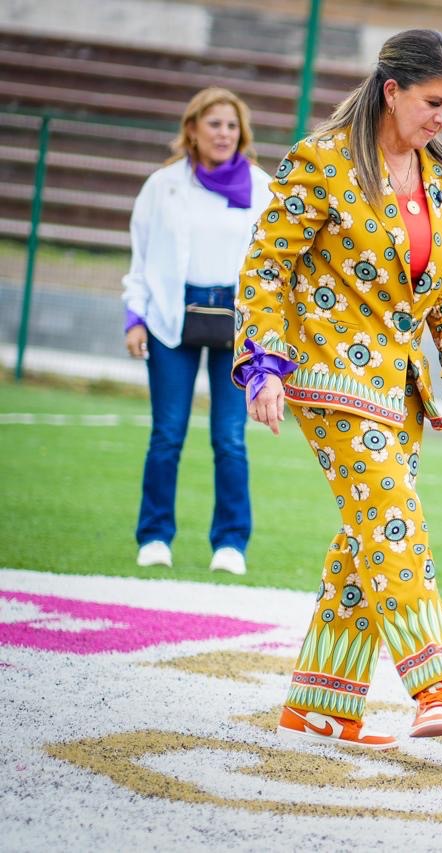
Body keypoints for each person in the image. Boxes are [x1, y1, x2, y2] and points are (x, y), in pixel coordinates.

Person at [234, 29, 442, 751]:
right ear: (392, 91)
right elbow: (266, 266)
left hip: (399, 391)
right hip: (327, 375)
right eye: (434, 102)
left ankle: (322, 703)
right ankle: (432, 677)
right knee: (393, 522)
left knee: (364, 536)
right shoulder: (321, 162)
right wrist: (263, 360)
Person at [122, 88, 273, 576]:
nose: (223, 134)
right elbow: (141, 258)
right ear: (192, 129)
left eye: (232, 126)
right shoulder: (162, 186)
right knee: (166, 434)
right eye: (214, 124)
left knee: (230, 437)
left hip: (237, 327)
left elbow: (273, 264)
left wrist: (268, 338)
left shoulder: (261, 187)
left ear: (242, 133)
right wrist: (135, 316)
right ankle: (155, 536)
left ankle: (230, 544)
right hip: (171, 318)